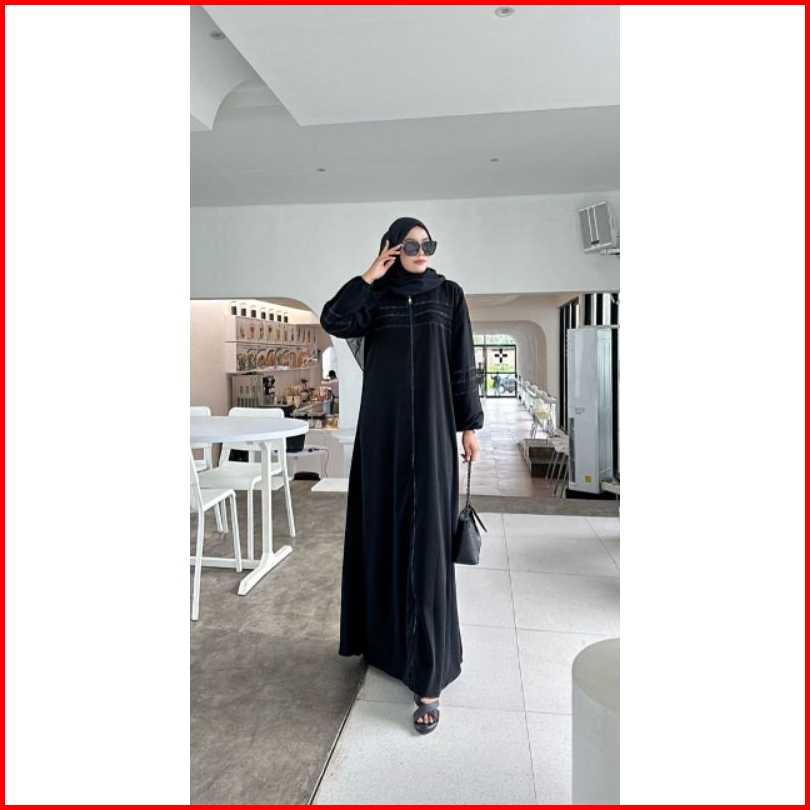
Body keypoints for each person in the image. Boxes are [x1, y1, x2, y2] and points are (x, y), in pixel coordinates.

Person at [320, 216, 483, 735]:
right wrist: (370, 274)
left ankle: (429, 676)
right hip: (383, 435)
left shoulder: (448, 295)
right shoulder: (374, 297)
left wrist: (469, 425)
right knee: (384, 534)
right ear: (391, 247)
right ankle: (387, 647)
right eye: (410, 245)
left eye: (427, 243)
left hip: (433, 434)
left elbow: (461, 362)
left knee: (428, 548)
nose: (421, 251)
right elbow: (334, 319)